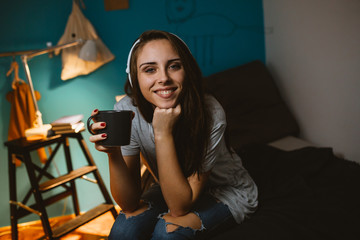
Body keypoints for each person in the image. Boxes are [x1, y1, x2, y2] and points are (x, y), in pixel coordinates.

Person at [89, 30, 258, 240]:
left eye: (174, 66)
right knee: (124, 230)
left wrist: (162, 133)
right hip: (172, 187)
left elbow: (178, 209)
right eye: (150, 69)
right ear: (135, 78)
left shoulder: (211, 112)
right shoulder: (127, 111)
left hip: (224, 190)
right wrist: (113, 154)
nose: (164, 78)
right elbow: (129, 203)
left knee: (167, 233)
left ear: (187, 70)